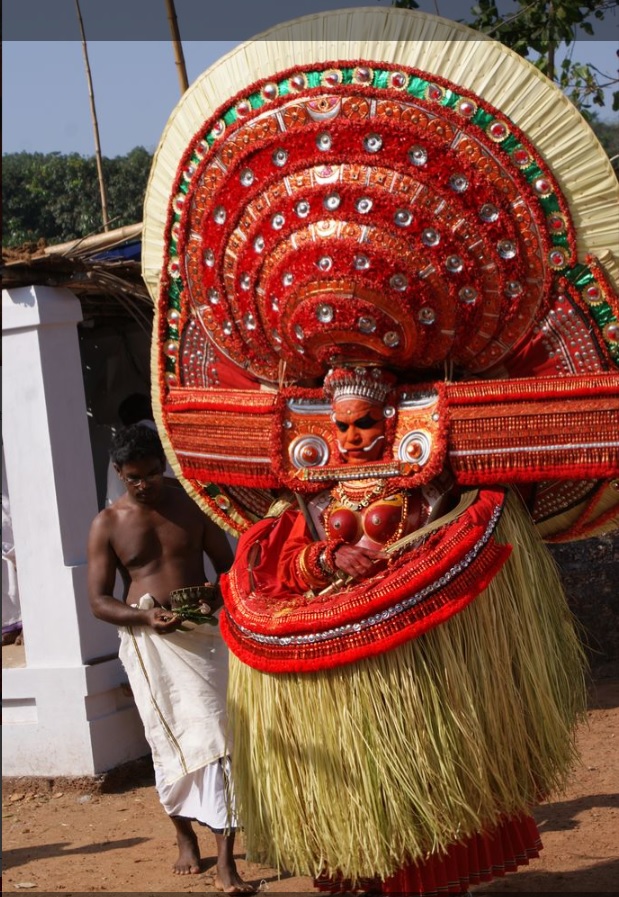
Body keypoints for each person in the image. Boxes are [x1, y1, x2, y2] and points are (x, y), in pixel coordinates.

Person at [221, 366, 586, 895]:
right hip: (343, 672)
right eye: (341, 427)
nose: (351, 439)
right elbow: (277, 563)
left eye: (364, 424)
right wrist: (327, 558)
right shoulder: (311, 497)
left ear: (393, 419)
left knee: (430, 785)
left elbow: (473, 528)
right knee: (357, 788)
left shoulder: (437, 489)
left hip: (416, 663)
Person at [87, 423, 254, 894]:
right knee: (168, 740)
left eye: (153, 473)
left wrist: (211, 597)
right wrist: (145, 620)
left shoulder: (194, 503)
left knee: (219, 738)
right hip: (150, 644)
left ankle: (227, 864)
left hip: (204, 640)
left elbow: (228, 569)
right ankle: (185, 838)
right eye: (134, 477)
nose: (145, 484)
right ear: (120, 473)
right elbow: (99, 601)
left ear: (165, 466)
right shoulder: (108, 523)